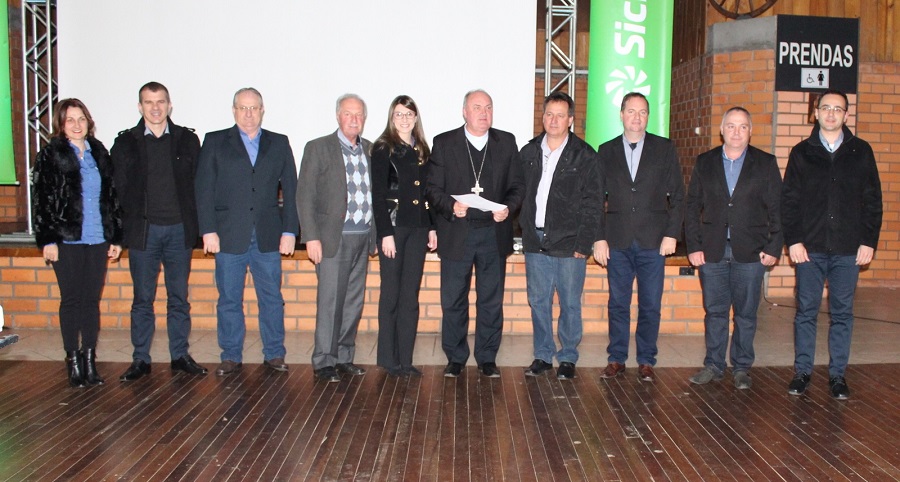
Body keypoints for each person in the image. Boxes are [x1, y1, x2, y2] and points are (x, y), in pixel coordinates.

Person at [782, 90, 882, 400]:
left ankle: (838, 375)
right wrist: (793, 241)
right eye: (826, 108)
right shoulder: (801, 152)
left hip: (848, 249)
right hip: (809, 249)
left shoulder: (861, 152)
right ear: (816, 112)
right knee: (806, 313)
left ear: (846, 115)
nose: (831, 113)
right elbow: (789, 202)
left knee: (842, 314)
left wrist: (868, 241)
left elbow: (873, 202)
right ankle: (802, 372)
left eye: (838, 109)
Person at [195, 87, 299, 376]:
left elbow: (292, 190)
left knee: (272, 298)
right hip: (228, 235)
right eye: (243, 108)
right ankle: (230, 355)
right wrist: (208, 230)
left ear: (262, 110)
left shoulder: (279, 143)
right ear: (234, 111)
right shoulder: (215, 141)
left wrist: (290, 231)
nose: (249, 113)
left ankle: (274, 353)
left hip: (268, 236)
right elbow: (203, 189)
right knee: (229, 299)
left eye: (254, 108)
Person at [425, 89, 525, 378]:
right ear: (464, 112)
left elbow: (518, 186)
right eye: (477, 107)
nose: (484, 113)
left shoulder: (506, 142)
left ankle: (487, 357)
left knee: (491, 300)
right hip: (458, 232)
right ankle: (456, 357)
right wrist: (451, 206)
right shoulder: (445, 143)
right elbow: (432, 188)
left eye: (488, 107)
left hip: (493, 233)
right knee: (453, 299)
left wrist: (508, 208)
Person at [112, 82, 207, 381]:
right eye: (149, 102)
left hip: (179, 231)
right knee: (143, 299)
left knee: (179, 298)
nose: (155, 108)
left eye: (161, 101)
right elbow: (117, 192)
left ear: (169, 105)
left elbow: (199, 186)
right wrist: (117, 235)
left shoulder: (187, 140)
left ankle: (180, 355)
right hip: (144, 232)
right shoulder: (125, 143)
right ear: (139, 106)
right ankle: (141, 359)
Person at [685, 107, 783, 390]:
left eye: (742, 126)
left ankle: (741, 367)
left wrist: (773, 246)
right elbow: (691, 207)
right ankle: (714, 365)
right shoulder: (705, 162)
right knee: (715, 312)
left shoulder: (765, 163)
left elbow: (777, 208)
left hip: (751, 252)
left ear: (750, 131)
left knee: (746, 314)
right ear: (721, 130)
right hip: (712, 251)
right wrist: (694, 245)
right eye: (731, 126)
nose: (736, 132)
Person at [31, 98, 123, 388]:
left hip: (97, 238)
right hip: (66, 240)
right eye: (70, 119)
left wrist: (115, 236)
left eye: (81, 118)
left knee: (90, 301)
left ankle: (90, 362)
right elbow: (41, 201)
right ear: (61, 124)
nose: (76, 124)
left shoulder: (99, 152)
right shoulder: (50, 155)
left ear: (88, 121)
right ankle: (73, 362)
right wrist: (48, 240)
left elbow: (111, 197)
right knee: (71, 300)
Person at [594, 92, 684, 383]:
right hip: (617, 240)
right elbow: (595, 199)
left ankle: (646, 360)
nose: (636, 117)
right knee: (618, 304)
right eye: (631, 111)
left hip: (653, 241)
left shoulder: (664, 149)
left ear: (648, 117)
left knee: (650, 305)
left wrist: (672, 234)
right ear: (621, 115)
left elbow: (678, 196)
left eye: (642, 112)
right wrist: (599, 238)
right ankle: (616, 358)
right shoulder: (605, 151)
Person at [518, 92, 602, 380]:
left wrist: (584, 244)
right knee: (538, 301)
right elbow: (519, 193)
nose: (554, 120)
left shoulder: (585, 155)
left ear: (570, 120)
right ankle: (543, 355)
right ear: (543, 117)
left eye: (560, 115)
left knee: (569, 302)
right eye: (549, 114)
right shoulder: (528, 152)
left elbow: (593, 203)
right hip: (535, 241)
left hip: (570, 243)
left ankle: (567, 356)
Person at [298, 94, 375, 383]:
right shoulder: (318, 148)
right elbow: (304, 195)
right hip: (333, 239)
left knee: (353, 302)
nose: (354, 119)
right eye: (348, 114)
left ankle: (344, 357)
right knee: (331, 302)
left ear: (364, 119)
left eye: (359, 114)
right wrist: (311, 237)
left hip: (363, 236)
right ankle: (324, 360)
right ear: (338, 116)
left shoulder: (370, 150)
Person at [370, 95, 437, 376]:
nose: (404, 119)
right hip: (394, 229)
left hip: (418, 229)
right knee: (391, 294)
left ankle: (406, 360)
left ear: (416, 117)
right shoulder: (383, 148)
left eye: (409, 114)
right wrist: (385, 233)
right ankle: (389, 359)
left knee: (410, 296)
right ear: (391, 117)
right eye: (399, 114)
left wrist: (431, 226)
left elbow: (427, 193)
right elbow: (378, 195)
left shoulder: (422, 149)